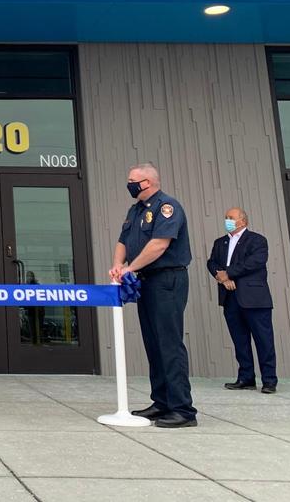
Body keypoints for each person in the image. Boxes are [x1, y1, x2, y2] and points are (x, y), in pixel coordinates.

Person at [110, 162, 197, 428]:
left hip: (167, 279)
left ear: (147, 182)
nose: (129, 184)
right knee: (153, 343)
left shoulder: (167, 207)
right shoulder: (135, 210)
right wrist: (117, 267)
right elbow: (123, 241)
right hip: (145, 281)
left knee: (169, 343)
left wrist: (130, 269)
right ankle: (161, 402)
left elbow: (159, 244)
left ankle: (183, 409)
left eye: (132, 180)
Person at [206, 207, 277, 393]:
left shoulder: (257, 240)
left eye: (231, 217)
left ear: (243, 221)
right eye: (226, 217)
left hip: (254, 299)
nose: (227, 220)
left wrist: (229, 274)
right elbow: (211, 263)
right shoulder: (220, 242)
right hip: (230, 298)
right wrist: (222, 277)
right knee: (240, 340)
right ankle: (246, 377)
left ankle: (269, 380)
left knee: (264, 340)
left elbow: (255, 262)